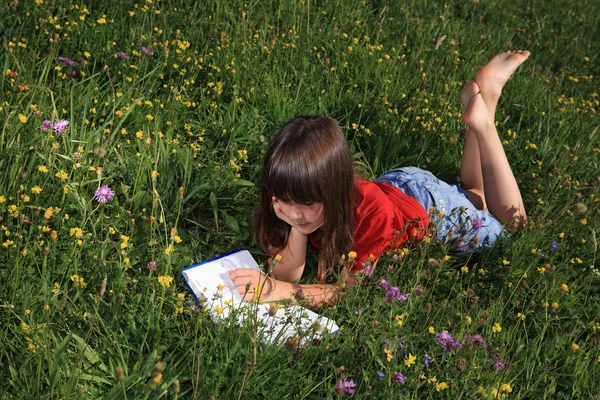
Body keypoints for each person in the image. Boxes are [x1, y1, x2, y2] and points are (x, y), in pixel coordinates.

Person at [228, 50, 530, 309]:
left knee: (514, 229)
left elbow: (346, 291)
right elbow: (287, 273)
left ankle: (484, 123)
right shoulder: (283, 198)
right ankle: (484, 98)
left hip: (430, 210)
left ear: (333, 189)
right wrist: (297, 228)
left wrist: (281, 294)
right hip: (396, 184)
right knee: (474, 194)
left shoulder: (369, 213)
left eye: (306, 202)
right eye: (284, 201)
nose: (294, 212)